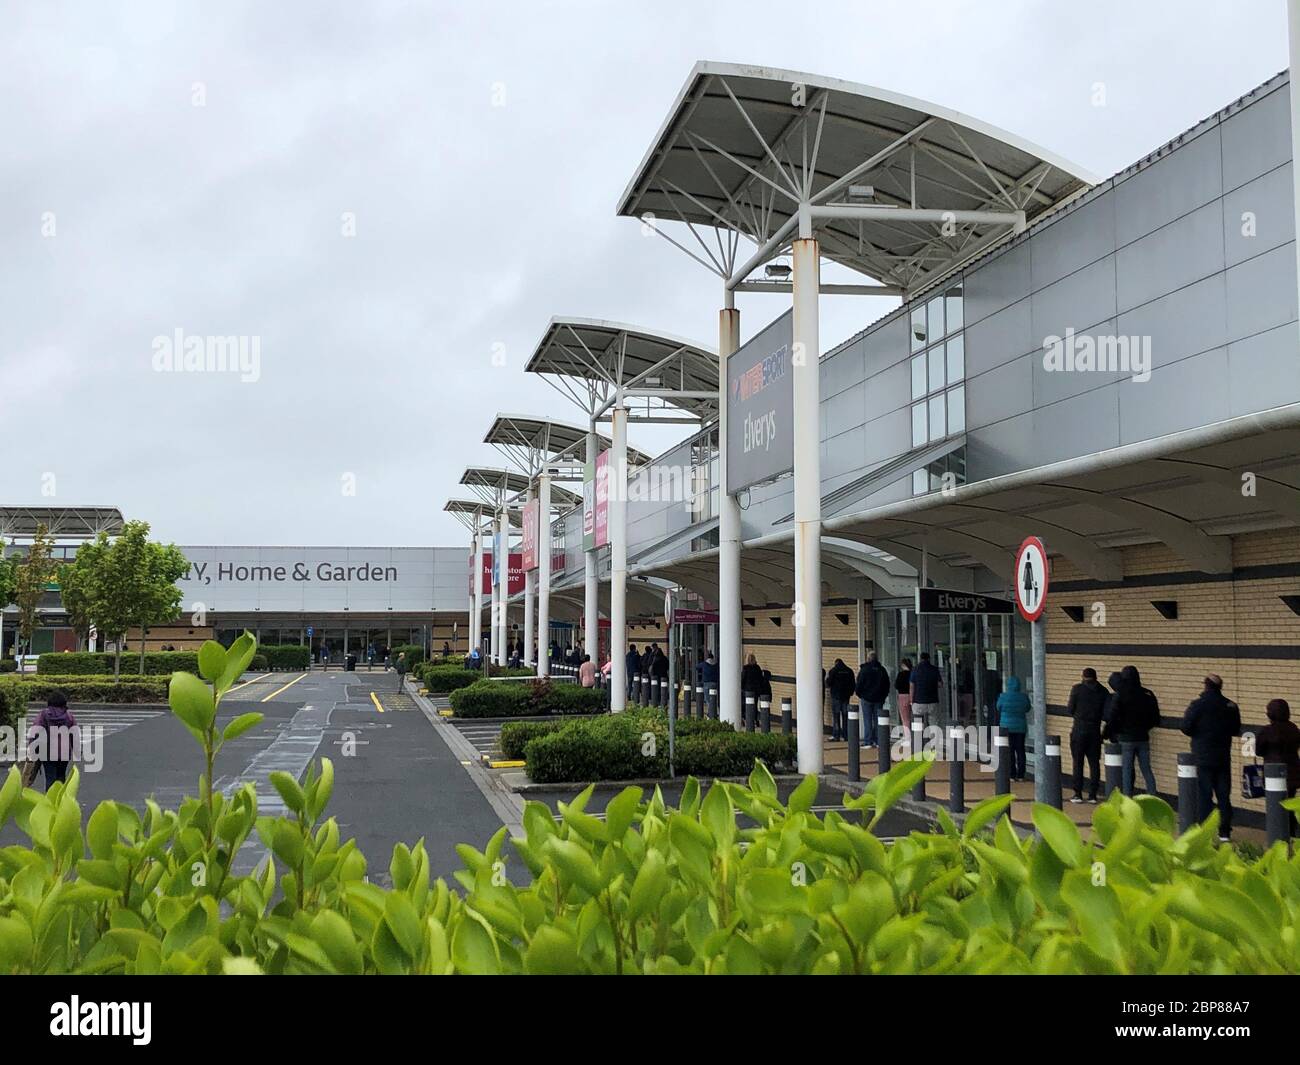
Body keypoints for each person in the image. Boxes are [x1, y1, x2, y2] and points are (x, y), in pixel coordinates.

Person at [1180, 674, 1241, 842]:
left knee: (1204, 795)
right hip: (1222, 756)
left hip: (1202, 755)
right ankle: (1225, 832)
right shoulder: (1230, 706)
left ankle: (1205, 830)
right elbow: (1236, 729)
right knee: (1223, 795)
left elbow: (1185, 727)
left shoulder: (1198, 705)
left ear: (1206, 686)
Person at [1108, 665, 1160, 796]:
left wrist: (1112, 732)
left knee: (1126, 770)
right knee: (1146, 769)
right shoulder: (1147, 693)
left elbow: (1113, 716)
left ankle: (1127, 798)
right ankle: (1152, 795)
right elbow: (1155, 717)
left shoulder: (1120, 695)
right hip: (1143, 736)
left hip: (1125, 737)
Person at [1255, 699, 1300, 835]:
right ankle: (1292, 833)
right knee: (1289, 804)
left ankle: (1279, 836)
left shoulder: (1267, 731)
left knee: (1275, 806)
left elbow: (1259, 751)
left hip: (1273, 774)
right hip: (1292, 773)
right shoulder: (1293, 729)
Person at [1066, 667, 1107, 803]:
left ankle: (1077, 793)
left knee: (1078, 762)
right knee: (1094, 763)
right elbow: (1106, 713)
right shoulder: (1103, 691)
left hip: (1079, 729)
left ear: (1083, 676)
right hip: (1095, 730)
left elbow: (1070, 709)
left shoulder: (1077, 689)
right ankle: (1093, 795)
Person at [27, 690, 79, 790]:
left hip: (47, 752)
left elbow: (35, 730)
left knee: (50, 777)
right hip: (64, 752)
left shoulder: (43, 715)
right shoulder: (69, 716)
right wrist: (76, 750)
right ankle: (60, 801)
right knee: (61, 776)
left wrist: (31, 746)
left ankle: (50, 801)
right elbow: (75, 734)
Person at [996, 676, 1030, 781]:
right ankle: (1021, 774)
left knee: (1009, 751)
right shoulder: (1023, 697)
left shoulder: (1003, 696)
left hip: (1006, 727)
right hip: (1020, 727)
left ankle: (1011, 774)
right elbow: (1027, 708)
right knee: (1020, 750)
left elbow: (998, 707)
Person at [855, 652, 890, 748]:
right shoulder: (882, 670)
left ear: (868, 659)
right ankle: (878, 741)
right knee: (878, 719)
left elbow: (859, 683)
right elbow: (887, 684)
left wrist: (860, 694)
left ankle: (868, 741)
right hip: (879, 699)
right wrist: (883, 696)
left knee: (867, 720)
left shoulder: (864, 670)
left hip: (866, 698)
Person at [825, 658, 856, 742]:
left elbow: (829, 682)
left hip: (836, 697)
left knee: (836, 716)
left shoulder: (833, 671)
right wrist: (850, 693)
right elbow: (853, 683)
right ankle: (846, 735)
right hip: (846, 697)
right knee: (845, 716)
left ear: (836, 663)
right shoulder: (849, 671)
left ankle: (836, 735)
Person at [910, 652, 941, 731]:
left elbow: (912, 686)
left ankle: (919, 741)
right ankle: (934, 742)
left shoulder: (915, 669)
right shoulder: (934, 669)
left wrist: (911, 700)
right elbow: (940, 684)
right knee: (934, 723)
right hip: (932, 701)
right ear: (929, 658)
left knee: (918, 724)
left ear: (920, 658)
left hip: (918, 701)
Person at [894, 658, 913, 733]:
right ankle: (917, 735)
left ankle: (908, 737)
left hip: (903, 696)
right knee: (916, 717)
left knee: (905, 719)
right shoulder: (913, 673)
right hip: (913, 696)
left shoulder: (900, 674)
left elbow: (896, 685)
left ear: (903, 665)